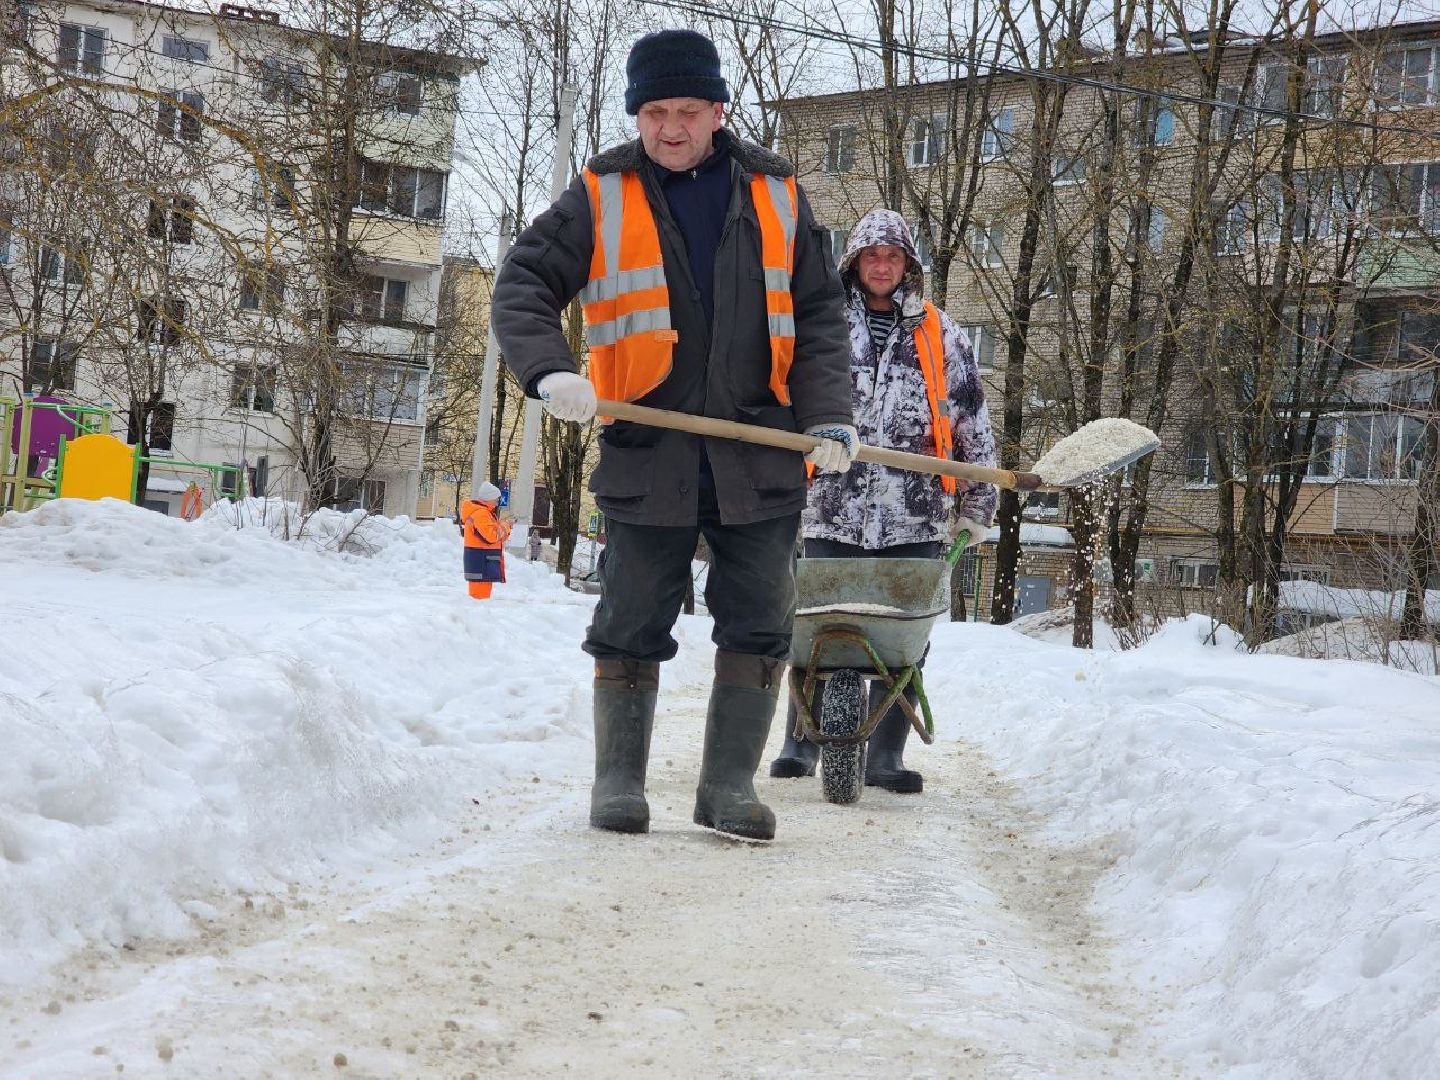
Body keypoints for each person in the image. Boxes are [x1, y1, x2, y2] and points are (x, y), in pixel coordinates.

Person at [490, 30, 856, 841]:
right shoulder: (602, 193)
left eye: (687, 110)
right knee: (628, 617)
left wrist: (828, 414)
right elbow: (523, 281)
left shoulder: (777, 193)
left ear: (718, 111)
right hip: (646, 445)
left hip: (757, 447)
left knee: (761, 619)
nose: (670, 127)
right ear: (639, 115)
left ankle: (726, 786)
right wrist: (550, 372)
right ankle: (618, 779)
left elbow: (823, 315)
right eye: (654, 112)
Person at [768, 208, 998, 793]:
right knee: (817, 629)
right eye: (872, 255)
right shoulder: (823, 324)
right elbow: (783, 402)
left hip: (914, 511)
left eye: (893, 256)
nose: (881, 265)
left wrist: (977, 505)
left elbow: (970, 417)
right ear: (855, 262)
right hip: (831, 507)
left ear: (908, 266)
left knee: (905, 639)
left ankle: (885, 758)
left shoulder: (940, 332)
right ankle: (800, 746)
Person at [459, 482, 512, 600]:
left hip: (483, 563)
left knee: (481, 601)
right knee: (479, 601)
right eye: (496, 499)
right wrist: (506, 525)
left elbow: (497, 538)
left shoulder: (485, 513)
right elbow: (492, 537)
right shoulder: (481, 514)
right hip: (481, 563)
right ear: (489, 498)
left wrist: (506, 529)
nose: (497, 502)